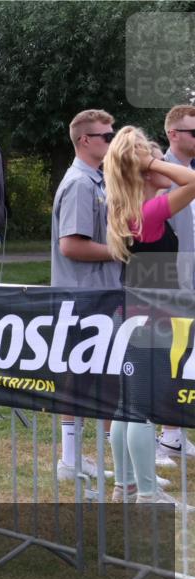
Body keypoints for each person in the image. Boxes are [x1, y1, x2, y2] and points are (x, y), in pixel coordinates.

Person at [104, 128, 195, 506]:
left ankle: (124, 485)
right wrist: (157, 165)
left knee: (127, 406)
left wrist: (149, 172)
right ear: (140, 167)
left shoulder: (123, 207)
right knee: (142, 408)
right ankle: (145, 492)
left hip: (133, 312)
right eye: (149, 158)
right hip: (150, 316)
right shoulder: (148, 212)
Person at [50, 109, 121, 483]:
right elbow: (71, 246)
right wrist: (120, 250)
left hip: (100, 294)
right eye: (106, 137)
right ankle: (70, 460)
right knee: (78, 377)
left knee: (107, 377)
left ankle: (115, 461)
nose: (112, 141)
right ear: (84, 141)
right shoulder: (80, 183)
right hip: (83, 297)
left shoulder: (97, 179)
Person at [155, 105, 195, 462]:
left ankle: (176, 433)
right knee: (167, 354)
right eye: (193, 132)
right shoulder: (158, 172)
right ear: (174, 134)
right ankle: (163, 433)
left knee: (188, 355)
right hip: (166, 278)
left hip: (190, 277)